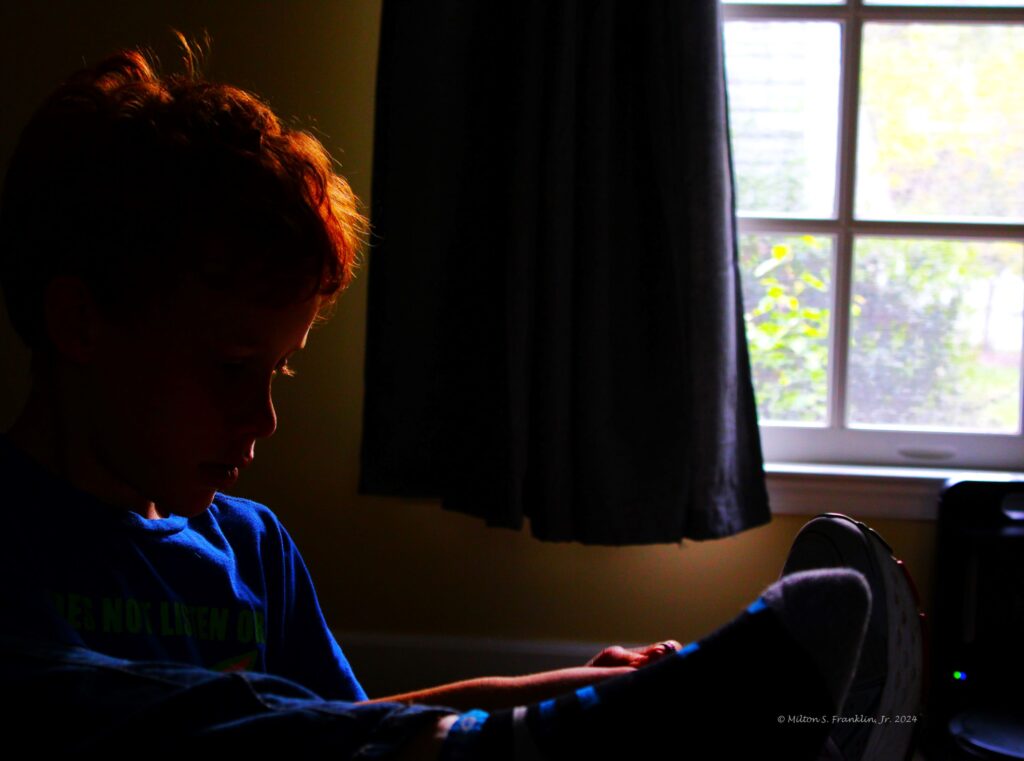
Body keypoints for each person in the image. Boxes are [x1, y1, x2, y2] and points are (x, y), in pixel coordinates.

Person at [0, 42, 918, 759]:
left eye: (278, 373)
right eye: (231, 364)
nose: (263, 419)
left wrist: (568, 691)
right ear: (84, 324)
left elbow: (349, 733)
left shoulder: (250, 546)